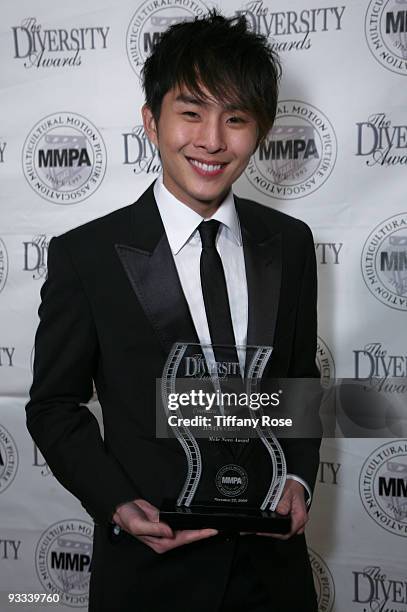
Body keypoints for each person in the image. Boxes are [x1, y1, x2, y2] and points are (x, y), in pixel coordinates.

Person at [26, 11, 320, 612]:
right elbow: (55, 406)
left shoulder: (289, 242)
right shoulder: (87, 255)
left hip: (275, 577)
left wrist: (297, 477)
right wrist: (116, 502)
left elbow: (297, 379)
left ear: (259, 132)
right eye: (191, 113)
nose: (212, 140)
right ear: (151, 122)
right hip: (148, 574)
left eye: (235, 119)